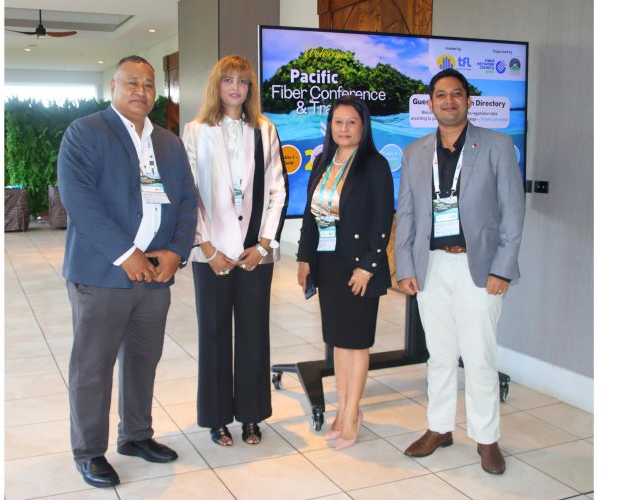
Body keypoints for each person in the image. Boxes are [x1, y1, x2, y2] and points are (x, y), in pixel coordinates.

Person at [57, 55, 198, 488]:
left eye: (149, 84)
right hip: (102, 275)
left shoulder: (169, 142)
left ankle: (136, 435)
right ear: (113, 88)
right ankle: (89, 451)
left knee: (143, 360)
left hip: (155, 277)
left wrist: (176, 252)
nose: (141, 91)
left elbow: (187, 200)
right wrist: (125, 254)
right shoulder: (85, 132)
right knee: (93, 366)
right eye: (132, 82)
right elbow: (79, 200)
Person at [394, 68, 525, 474]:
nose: (448, 101)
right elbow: (407, 214)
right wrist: (405, 265)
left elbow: (512, 212)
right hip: (431, 265)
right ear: (430, 103)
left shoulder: (497, 145)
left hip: (480, 267)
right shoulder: (415, 152)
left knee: (480, 356)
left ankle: (487, 439)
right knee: (439, 355)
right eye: (440, 95)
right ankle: (439, 428)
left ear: (468, 101)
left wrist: (503, 268)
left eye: (456, 94)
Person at [182, 55, 288, 447]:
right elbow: (188, 194)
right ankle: (216, 419)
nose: (235, 88)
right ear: (217, 85)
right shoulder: (195, 131)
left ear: (250, 88)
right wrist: (207, 247)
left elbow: (277, 190)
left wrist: (264, 244)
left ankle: (251, 415)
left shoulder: (265, 129)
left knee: (253, 333)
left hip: (253, 255)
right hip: (211, 254)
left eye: (242, 81)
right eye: (228, 80)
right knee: (213, 335)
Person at [297, 96, 394, 450]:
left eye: (351, 122)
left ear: (363, 126)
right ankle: (341, 408)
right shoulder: (322, 161)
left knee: (357, 342)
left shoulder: (375, 165)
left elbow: (382, 220)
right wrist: (304, 258)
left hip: (359, 268)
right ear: (330, 126)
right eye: (338, 122)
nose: (344, 128)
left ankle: (353, 414)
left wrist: (368, 266)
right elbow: (310, 216)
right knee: (338, 341)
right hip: (328, 264)